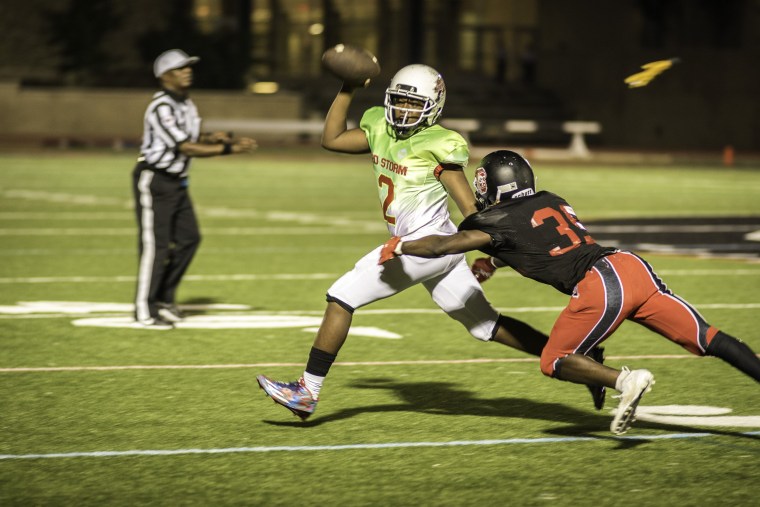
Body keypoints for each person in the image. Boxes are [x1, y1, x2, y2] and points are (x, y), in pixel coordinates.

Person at [256, 65, 604, 420]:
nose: (404, 110)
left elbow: (470, 209)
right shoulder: (379, 125)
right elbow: (331, 139)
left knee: (341, 297)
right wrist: (347, 87)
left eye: (413, 103)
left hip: (425, 245)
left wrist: (495, 255)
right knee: (486, 326)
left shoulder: (440, 143)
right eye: (400, 101)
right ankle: (582, 359)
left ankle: (307, 391)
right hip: (436, 249)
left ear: (433, 105)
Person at [379, 149, 760, 435]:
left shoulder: (492, 221)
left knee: (553, 360)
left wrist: (400, 247)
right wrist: (493, 263)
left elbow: (445, 245)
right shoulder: (550, 199)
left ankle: (625, 381)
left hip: (600, 286)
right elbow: (535, 239)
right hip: (631, 267)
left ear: (491, 187)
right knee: (708, 338)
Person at [133, 49, 257, 329]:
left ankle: (165, 300)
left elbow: (190, 136)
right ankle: (145, 309)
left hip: (177, 182)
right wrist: (227, 148)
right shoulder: (161, 106)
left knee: (190, 239)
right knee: (156, 246)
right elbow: (184, 146)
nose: (187, 71)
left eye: (188, 67)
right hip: (156, 180)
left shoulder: (186, 103)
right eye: (180, 68)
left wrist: (212, 137)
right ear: (165, 76)